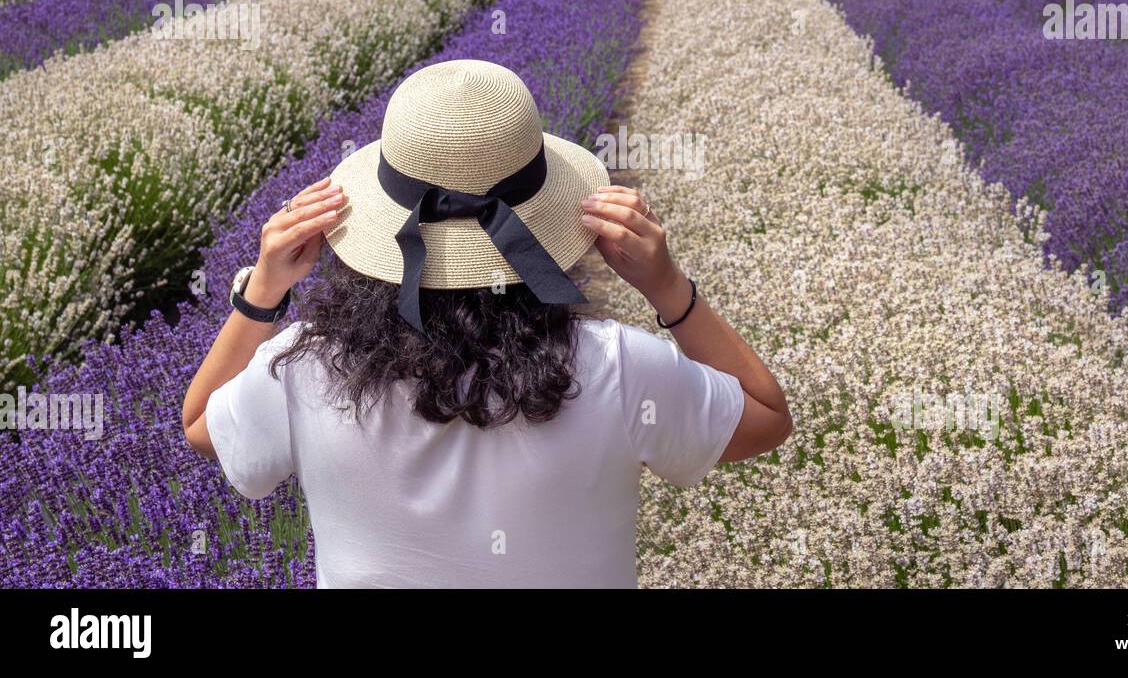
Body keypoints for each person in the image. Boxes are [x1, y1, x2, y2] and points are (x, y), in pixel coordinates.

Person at [181, 59, 791, 587]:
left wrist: (263, 292)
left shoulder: (307, 368)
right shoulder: (620, 367)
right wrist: (669, 289)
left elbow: (201, 425)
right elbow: (766, 417)